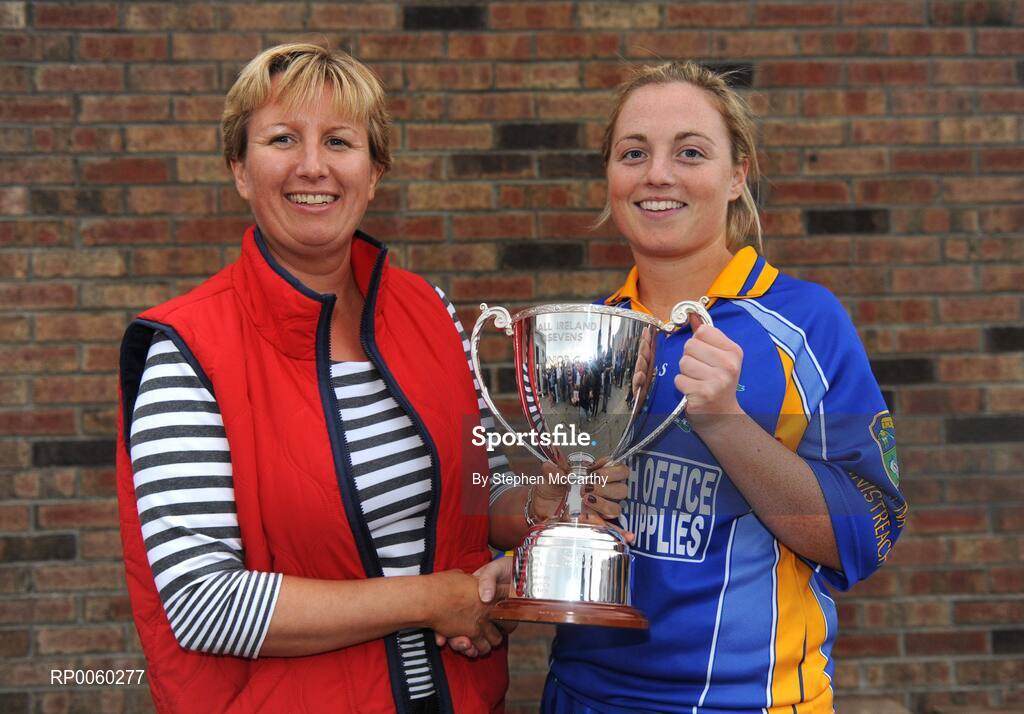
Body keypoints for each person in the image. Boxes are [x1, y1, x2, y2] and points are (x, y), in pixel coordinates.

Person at [476, 61, 908, 713]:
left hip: (746, 702)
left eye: (690, 152)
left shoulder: (804, 323)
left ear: (737, 175)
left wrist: (728, 424)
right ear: (610, 176)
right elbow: (501, 502)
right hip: (581, 696)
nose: (658, 174)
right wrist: (543, 506)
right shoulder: (587, 338)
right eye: (633, 153)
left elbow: (867, 531)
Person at [115, 43, 509, 713]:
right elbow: (203, 604)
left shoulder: (430, 312)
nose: (313, 166)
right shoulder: (188, 350)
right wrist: (438, 598)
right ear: (240, 170)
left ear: (374, 171)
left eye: (339, 141)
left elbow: (476, 489)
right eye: (281, 139)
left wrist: (542, 509)